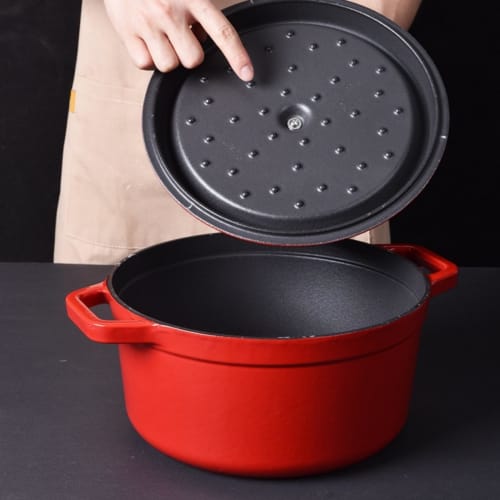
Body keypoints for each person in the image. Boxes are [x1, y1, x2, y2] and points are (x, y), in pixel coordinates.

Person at [53, 0, 422, 265]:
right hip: (153, 65)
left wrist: (373, 29)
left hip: (337, 76)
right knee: (112, 335)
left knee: (332, 315)